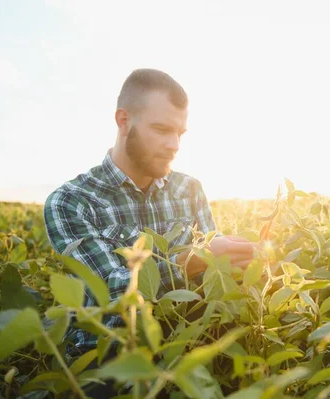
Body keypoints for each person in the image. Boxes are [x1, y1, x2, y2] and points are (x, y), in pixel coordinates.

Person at [43, 68, 256, 369]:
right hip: (112, 355)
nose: (174, 145)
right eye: (161, 129)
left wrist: (240, 264)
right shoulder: (72, 201)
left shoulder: (189, 189)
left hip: (189, 342)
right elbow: (109, 293)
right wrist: (194, 259)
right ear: (123, 120)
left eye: (179, 133)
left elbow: (210, 282)